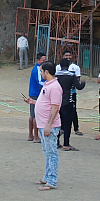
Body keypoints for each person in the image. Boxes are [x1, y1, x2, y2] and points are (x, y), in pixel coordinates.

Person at [23, 62, 61, 190]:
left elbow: (55, 107)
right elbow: (45, 101)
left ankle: (52, 180)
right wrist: (33, 102)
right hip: (43, 123)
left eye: (41, 71)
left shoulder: (54, 87)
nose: (40, 73)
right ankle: (47, 176)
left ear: (47, 72)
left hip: (48, 125)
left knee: (52, 153)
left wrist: (49, 125)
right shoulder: (47, 85)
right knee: (47, 152)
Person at [55, 57, 85, 151]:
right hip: (68, 101)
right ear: (68, 66)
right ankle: (66, 144)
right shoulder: (71, 75)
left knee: (58, 123)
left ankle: (56, 142)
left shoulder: (56, 76)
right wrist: (83, 83)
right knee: (68, 123)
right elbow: (79, 87)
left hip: (57, 101)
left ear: (60, 66)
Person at [55, 49, 83, 135]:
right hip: (61, 93)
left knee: (73, 111)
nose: (68, 57)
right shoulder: (58, 67)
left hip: (71, 92)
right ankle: (62, 128)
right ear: (63, 56)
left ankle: (76, 128)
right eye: (66, 56)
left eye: (69, 56)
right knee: (61, 111)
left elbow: (77, 80)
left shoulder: (75, 67)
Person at [27, 52, 47, 143]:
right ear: (38, 60)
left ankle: (31, 135)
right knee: (35, 116)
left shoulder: (36, 69)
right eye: (43, 60)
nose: (44, 61)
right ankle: (36, 136)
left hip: (33, 92)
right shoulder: (38, 70)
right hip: (36, 93)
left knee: (32, 115)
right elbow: (40, 82)